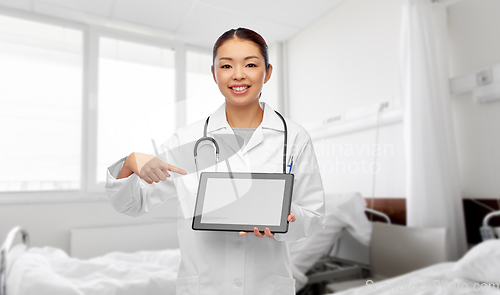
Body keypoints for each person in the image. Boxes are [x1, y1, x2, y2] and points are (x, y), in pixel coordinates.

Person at [105, 27, 325, 295]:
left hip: (267, 286)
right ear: (214, 74)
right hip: (204, 287)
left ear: (267, 72)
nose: (238, 75)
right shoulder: (187, 140)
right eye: (226, 65)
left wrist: (283, 216)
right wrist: (129, 163)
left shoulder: (295, 137)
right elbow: (132, 204)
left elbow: (313, 217)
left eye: (251, 64)